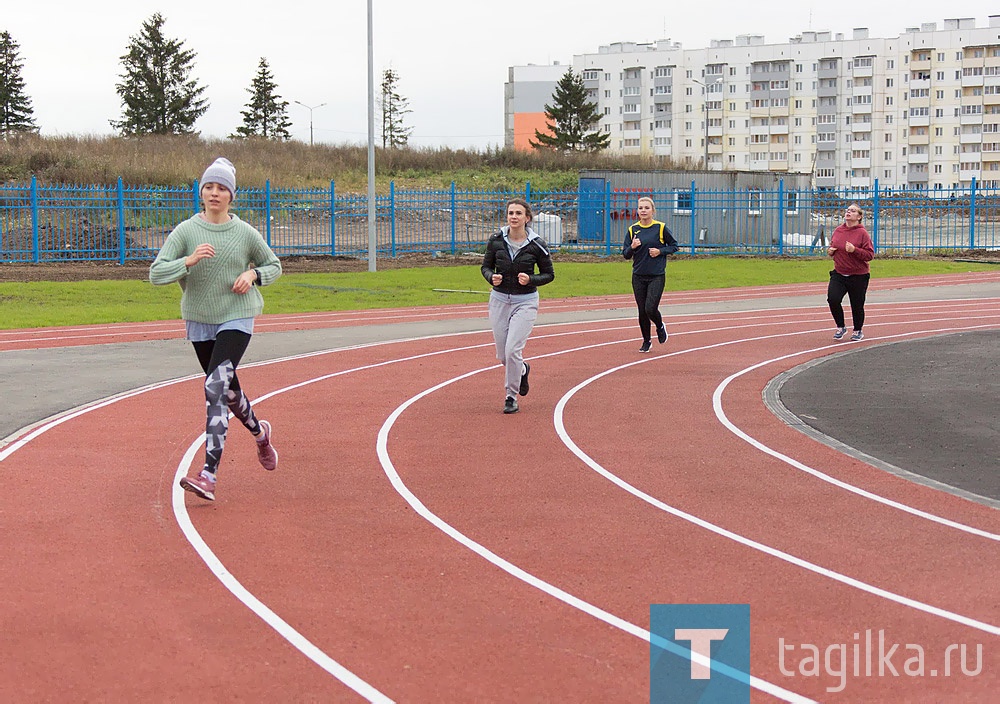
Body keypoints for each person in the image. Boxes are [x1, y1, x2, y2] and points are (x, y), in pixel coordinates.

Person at [150, 157, 283, 501]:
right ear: (201, 192)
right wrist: (188, 261)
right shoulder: (185, 232)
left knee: (214, 386)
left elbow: (274, 264)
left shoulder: (245, 232)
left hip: (237, 316)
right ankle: (260, 433)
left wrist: (253, 275)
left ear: (231, 196)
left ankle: (208, 474)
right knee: (228, 392)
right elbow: (156, 274)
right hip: (200, 320)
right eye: (209, 186)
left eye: (221, 188)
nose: (214, 193)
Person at [481, 197, 555, 414]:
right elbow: (485, 267)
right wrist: (490, 277)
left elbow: (549, 274)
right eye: (511, 213)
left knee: (513, 349)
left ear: (527, 218)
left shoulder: (537, 245)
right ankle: (522, 369)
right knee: (504, 356)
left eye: (518, 213)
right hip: (499, 300)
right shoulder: (496, 240)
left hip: (525, 302)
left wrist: (531, 280)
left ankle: (510, 396)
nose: (514, 217)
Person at [622, 196, 679, 352]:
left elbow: (674, 246)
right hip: (638, 275)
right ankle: (646, 341)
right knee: (642, 310)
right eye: (641, 208)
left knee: (650, 308)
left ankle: (660, 326)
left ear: (653, 211)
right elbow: (625, 254)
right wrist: (632, 246)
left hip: (656, 275)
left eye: (647, 208)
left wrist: (660, 251)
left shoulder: (660, 228)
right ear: (637, 211)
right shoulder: (632, 230)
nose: (643, 211)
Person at [827, 202, 875, 342]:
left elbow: (870, 255)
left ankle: (857, 330)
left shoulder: (862, 233)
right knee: (833, 299)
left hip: (858, 275)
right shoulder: (838, 231)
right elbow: (833, 246)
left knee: (857, 304)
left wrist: (855, 250)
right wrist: (830, 252)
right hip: (839, 273)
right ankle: (841, 327)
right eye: (848, 210)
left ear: (859, 216)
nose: (848, 212)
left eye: (853, 211)